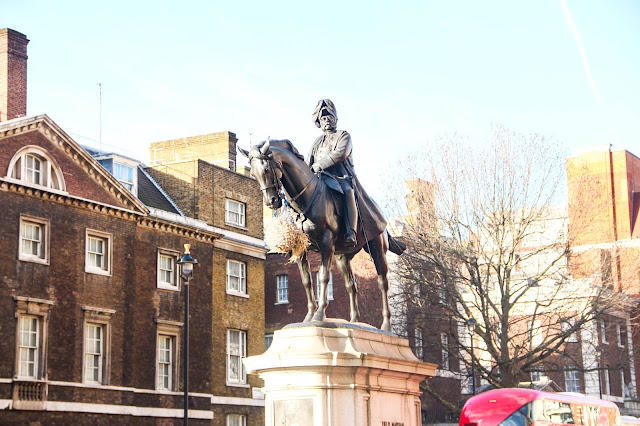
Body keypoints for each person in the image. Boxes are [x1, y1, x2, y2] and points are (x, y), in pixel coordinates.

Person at [308, 99, 359, 247]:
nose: (327, 120)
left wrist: (319, 165)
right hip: (320, 178)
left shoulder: (343, 135)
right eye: (323, 118)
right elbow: (309, 161)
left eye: (329, 117)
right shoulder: (317, 142)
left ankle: (351, 231)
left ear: (335, 119)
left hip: (340, 176)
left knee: (347, 191)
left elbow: (340, 154)